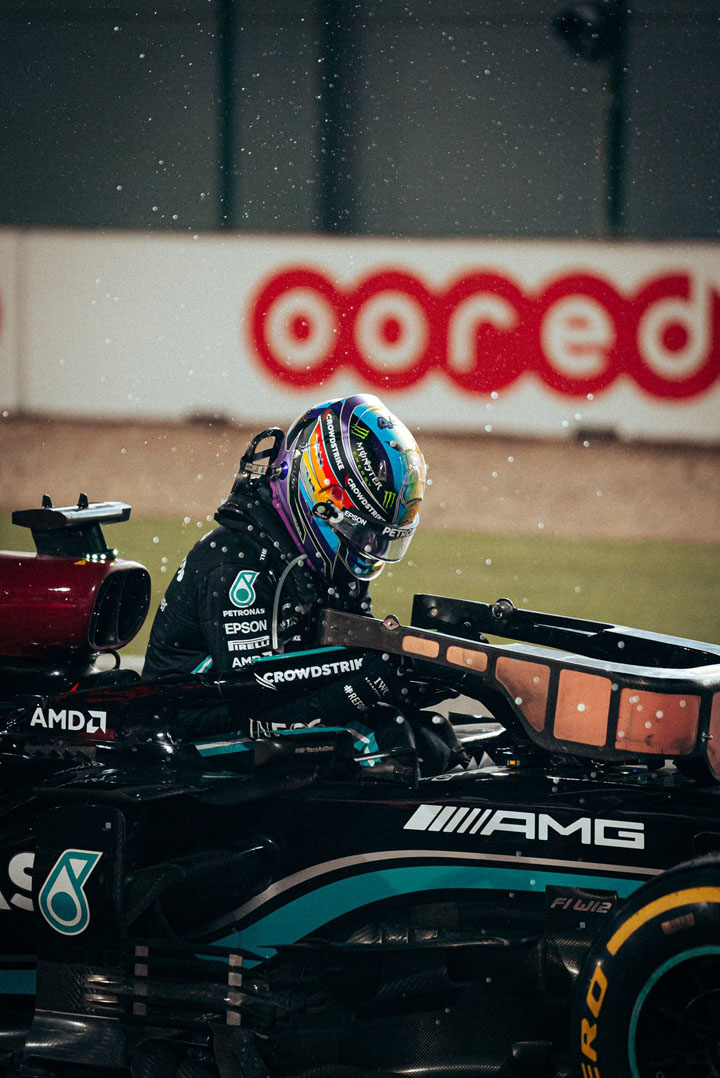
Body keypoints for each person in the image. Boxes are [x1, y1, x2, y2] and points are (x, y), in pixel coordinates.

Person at [143, 393, 468, 775]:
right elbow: (255, 707)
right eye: (363, 533)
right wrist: (367, 687)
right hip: (186, 737)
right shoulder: (236, 566)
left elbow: (344, 662)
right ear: (322, 495)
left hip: (259, 718)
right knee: (383, 746)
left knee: (431, 737)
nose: (370, 548)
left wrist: (412, 677)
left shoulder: (325, 558)